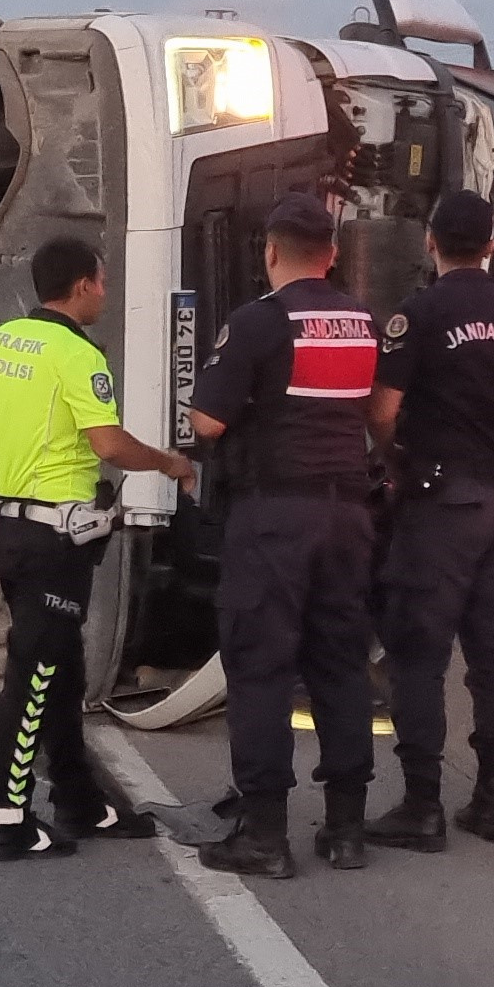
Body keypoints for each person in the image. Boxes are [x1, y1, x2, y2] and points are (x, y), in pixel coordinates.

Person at [0, 236, 199, 860]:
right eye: (102, 283)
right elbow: (108, 446)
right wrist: (168, 463)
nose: (105, 293)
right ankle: (6, 815)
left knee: (62, 666)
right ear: (81, 286)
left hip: (9, 530)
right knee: (35, 671)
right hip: (56, 537)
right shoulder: (78, 357)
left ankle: (80, 802)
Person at [187, 194, 382, 877]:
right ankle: (347, 827)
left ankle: (265, 833)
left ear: (271, 251)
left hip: (275, 517)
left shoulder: (258, 323)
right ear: (330, 254)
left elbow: (208, 424)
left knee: (262, 668)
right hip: (349, 516)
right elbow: (381, 414)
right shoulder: (363, 321)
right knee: (339, 665)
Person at [369, 191, 494, 849]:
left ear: (431, 241)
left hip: (439, 507)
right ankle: (491, 800)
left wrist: (397, 458)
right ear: (490, 245)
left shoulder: (419, 314)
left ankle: (422, 805)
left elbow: (382, 409)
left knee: (420, 659)